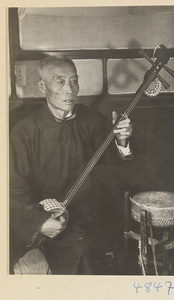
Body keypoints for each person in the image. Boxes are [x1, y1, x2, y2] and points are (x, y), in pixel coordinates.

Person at [9, 56, 133, 275]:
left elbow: (111, 160)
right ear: (42, 86)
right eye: (60, 82)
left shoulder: (91, 119)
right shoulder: (24, 132)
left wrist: (121, 141)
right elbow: (11, 191)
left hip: (90, 213)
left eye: (74, 81)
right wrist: (39, 222)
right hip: (49, 219)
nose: (70, 90)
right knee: (80, 251)